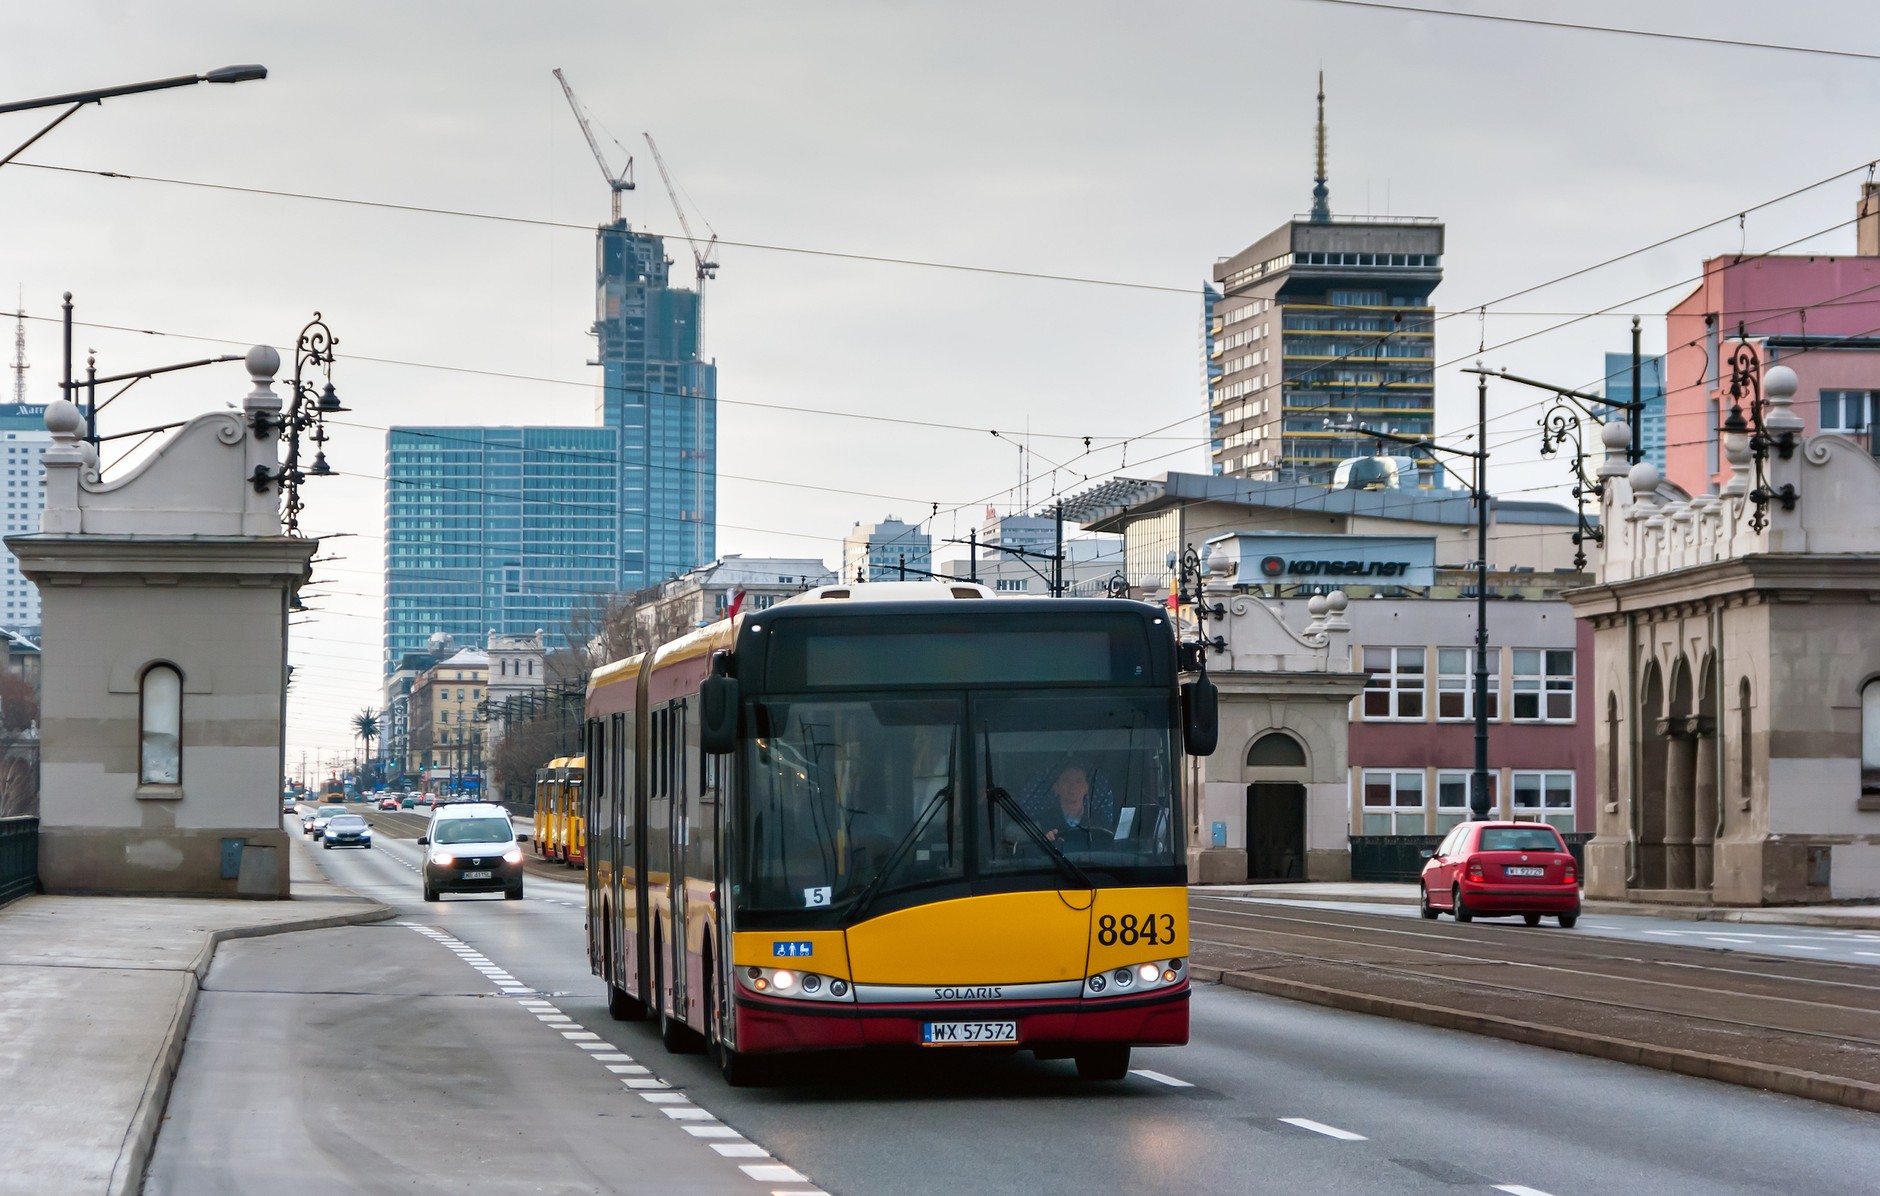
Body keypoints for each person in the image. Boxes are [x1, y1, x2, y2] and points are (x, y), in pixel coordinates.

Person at [1041, 764, 1112, 848]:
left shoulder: (1100, 819)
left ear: (1086, 788)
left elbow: (1108, 848)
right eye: (1066, 781)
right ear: (1056, 787)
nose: (1073, 786)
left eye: (1078, 781)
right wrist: (1046, 841)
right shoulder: (1043, 822)